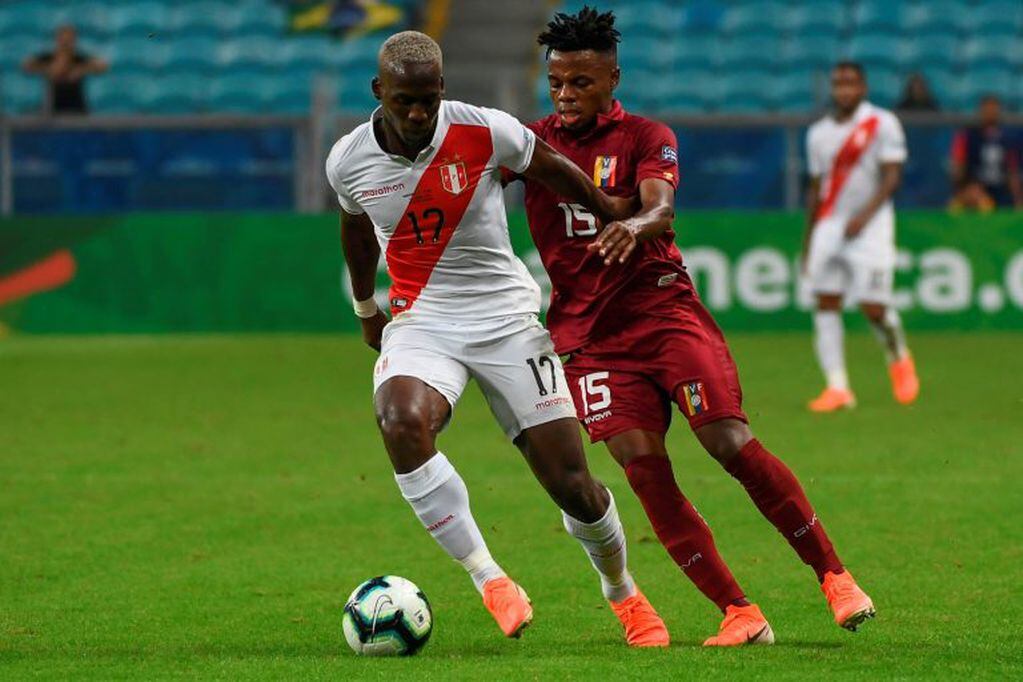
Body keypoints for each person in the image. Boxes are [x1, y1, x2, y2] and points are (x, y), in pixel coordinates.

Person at [510, 7, 876, 647]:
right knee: (644, 470)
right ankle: (739, 612)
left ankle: (836, 577)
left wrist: (633, 225)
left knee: (728, 441)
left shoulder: (647, 136)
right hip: (590, 342)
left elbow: (660, 205)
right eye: (558, 83)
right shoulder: (532, 143)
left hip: (664, 315)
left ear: (612, 79)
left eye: (582, 83)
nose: (567, 96)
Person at [327, 30, 669, 647]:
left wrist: (610, 209)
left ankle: (622, 589)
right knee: (400, 420)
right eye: (403, 100)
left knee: (574, 486)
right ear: (379, 92)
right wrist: (365, 306)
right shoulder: (347, 159)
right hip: (422, 321)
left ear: (442, 91)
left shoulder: (486, 130)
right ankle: (489, 579)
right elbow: (353, 230)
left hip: (507, 319)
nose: (416, 114)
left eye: (428, 100)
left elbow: (553, 170)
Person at [804, 62, 919, 411]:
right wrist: (808, 241)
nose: (844, 90)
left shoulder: (882, 123)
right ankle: (838, 387)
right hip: (829, 224)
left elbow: (891, 177)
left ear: (863, 87)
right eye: (838, 83)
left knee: (873, 307)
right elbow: (815, 188)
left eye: (851, 83)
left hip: (871, 226)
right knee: (825, 301)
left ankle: (897, 353)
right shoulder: (818, 133)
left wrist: (865, 216)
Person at [949, 95, 1023, 211]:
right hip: (975, 188)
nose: (990, 112)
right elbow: (958, 167)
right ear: (981, 111)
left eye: (994, 109)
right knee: (964, 203)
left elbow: (1012, 171)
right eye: (987, 108)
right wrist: (963, 189)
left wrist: (1018, 198)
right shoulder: (969, 136)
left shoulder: (1009, 138)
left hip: (1001, 189)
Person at [21, 25, 108, 115]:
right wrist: (47, 69)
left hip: (77, 110)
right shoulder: (49, 57)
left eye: (69, 41)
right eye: (63, 40)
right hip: (52, 110)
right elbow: (25, 65)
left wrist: (81, 70)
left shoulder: (78, 59)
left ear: (74, 41)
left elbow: (103, 65)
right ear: (57, 40)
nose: (65, 44)